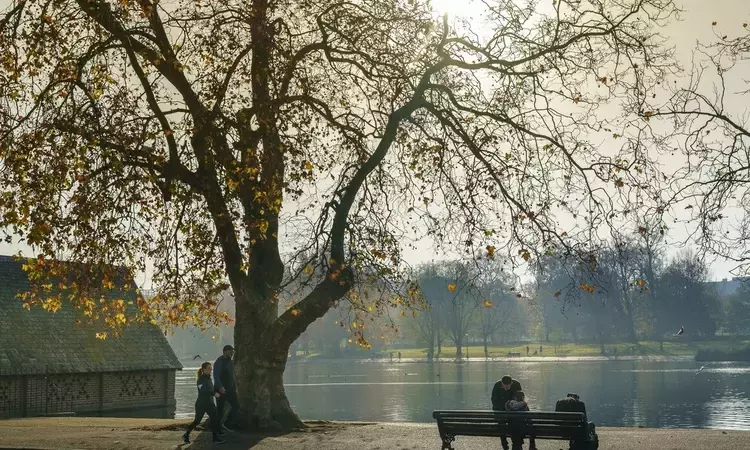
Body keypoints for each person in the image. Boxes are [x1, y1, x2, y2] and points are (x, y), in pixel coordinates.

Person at [183, 362, 225, 444]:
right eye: (209, 368)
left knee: (215, 419)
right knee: (197, 421)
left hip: (210, 403)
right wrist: (213, 394)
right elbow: (203, 391)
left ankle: (215, 438)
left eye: (211, 368)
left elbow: (210, 390)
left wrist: (218, 391)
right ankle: (186, 434)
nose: (211, 369)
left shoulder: (209, 378)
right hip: (201, 404)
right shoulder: (200, 380)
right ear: (204, 369)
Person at [491, 375, 537, 450]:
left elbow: (519, 398)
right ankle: (507, 443)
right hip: (504, 411)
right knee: (505, 423)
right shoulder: (497, 386)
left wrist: (511, 407)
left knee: (512, 423)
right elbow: (494, 401)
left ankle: (513, 444)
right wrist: (506, 408)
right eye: (504, 386)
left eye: (508, 386)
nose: (506, 388)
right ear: (501, 383)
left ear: (511, 383)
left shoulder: (516, 385)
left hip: (513, 412)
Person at [214, 345, 240, 431]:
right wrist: (220, 387)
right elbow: (216, 376)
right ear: (225, 351)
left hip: (230, 390)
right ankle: (217, 428)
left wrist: (235, 388)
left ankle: (227, 424)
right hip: (219, 390)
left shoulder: (231, 362)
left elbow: (233, 376)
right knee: (220, 409)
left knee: (236, 406)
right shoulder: (219, 361)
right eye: (230, 351)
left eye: (233, 352)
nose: (232, 353)